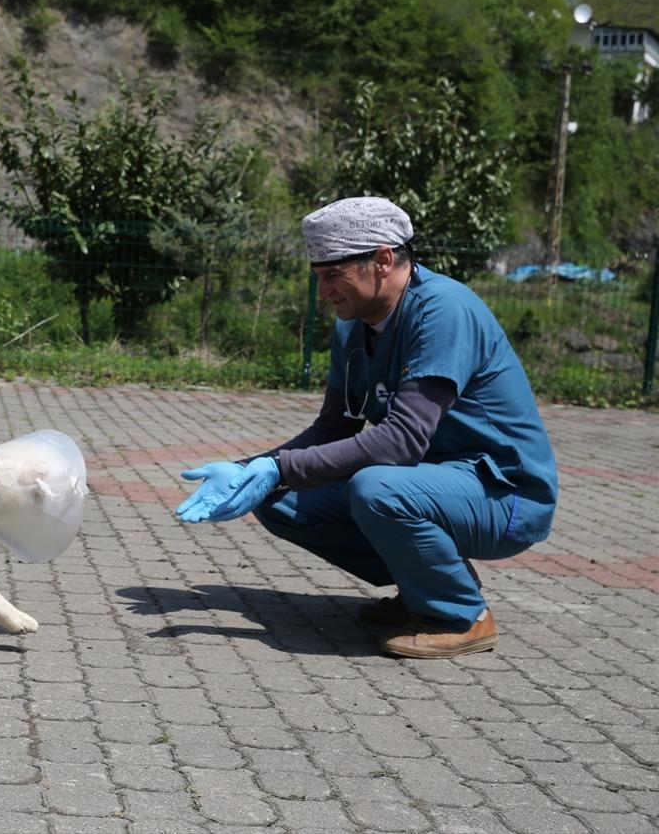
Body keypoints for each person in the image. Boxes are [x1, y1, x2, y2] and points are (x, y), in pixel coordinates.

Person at [176, 196, 558, 659]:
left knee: (374, 488)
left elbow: (402, 440)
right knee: (279, 498)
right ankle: (425, 587)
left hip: (505, 495)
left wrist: (280, 467)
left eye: (333, 276)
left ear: (382, 260)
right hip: (432, 483)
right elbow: (334, 428)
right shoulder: (354, 327)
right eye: (318, 277)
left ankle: (461, 616)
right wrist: (251, 470)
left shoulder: (443, 311)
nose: (323, 293)